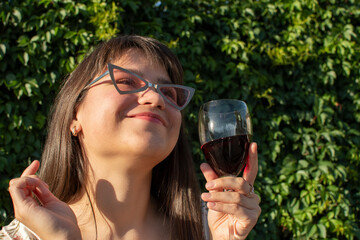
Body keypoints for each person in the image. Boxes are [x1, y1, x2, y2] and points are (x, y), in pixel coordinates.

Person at [1, 35, 261, 240]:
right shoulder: (25, 237)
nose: (156, 98)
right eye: (126, 81)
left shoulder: (208, 231)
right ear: (74, 116)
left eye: (169, 92)